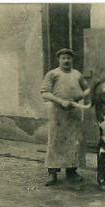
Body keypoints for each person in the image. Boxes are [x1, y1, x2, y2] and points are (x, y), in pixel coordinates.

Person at [40, 48, 90, 186]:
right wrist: (60, 101)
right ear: (59, 59)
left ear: (72, 60)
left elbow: (87, 89)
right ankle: (52, 173)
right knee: (55, 141)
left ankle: (72, 171)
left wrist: (80, 96)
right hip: (57, 113)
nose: (66, 60)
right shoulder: (52, 74)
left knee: (74, 142)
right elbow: (44, 93)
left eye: (69, 58)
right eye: (63, 58)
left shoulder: (77, 74)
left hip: (73, 113)